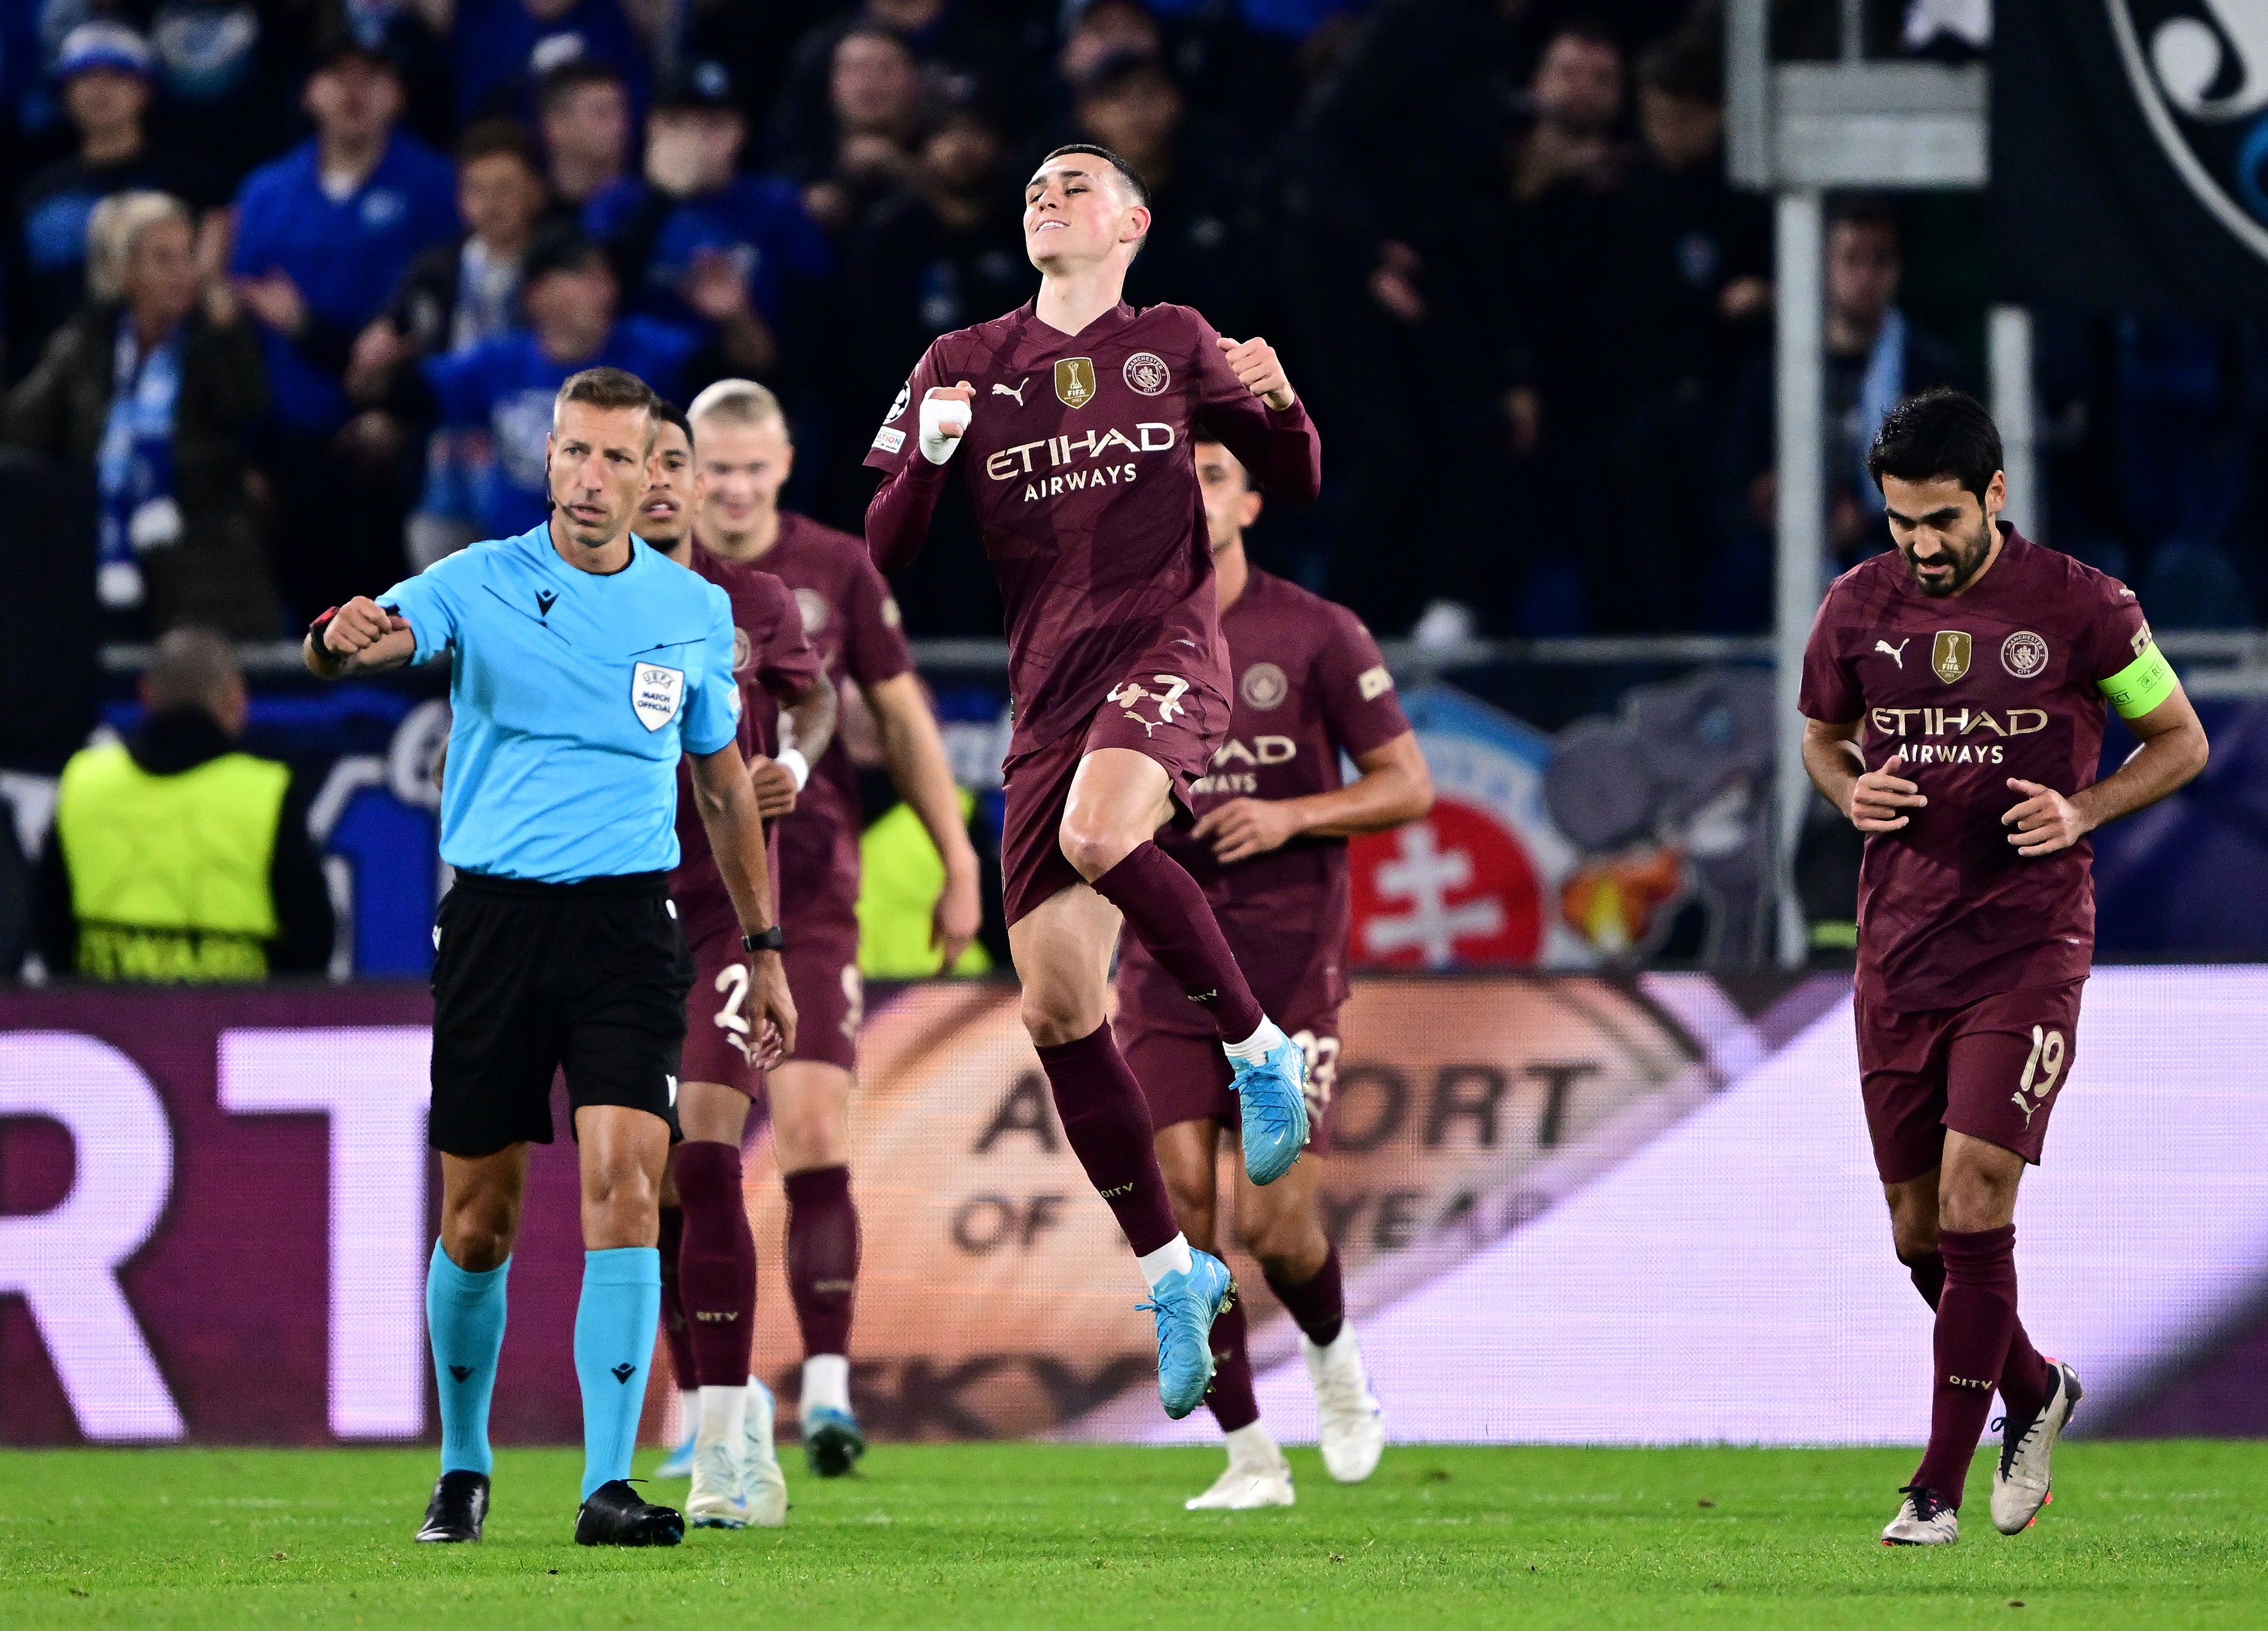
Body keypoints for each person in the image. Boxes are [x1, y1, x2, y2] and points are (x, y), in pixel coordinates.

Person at [863, 141, 1321, 1420]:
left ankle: (1258, 1047)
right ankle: (1173, 1271)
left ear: (1131, 219)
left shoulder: (1173, 336)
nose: (1044, 198)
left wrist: (1281, 407)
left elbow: (1292, 483)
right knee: (1059, 1011)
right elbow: (883, 550)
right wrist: (927, 460)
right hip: (1046, 695)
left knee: (1102, 828)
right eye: (1032, 190)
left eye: (1073, 184)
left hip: (1166, 651)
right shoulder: (958, 362)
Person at [303, 366, 795, 1548]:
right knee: (479, 1219)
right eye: (574, 452)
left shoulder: (690, 611)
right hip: (494, 924)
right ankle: (464, 1464)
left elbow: (722, 787)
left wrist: (765, 944)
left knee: (629, 1183)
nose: (591, 477)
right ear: (549, 461)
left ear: (652, 478)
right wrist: (340, 639)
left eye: (618, 459)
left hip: (628, 925)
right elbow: (363, 642)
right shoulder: (477, 580)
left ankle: (606, 1482)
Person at [1798, 388, 2209, 1545]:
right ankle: (2033, 1389)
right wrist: (1846, 789)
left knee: (1980, 1191)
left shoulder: (2085, 610)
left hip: (2026, 944)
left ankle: (1931, 1487)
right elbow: (1822, 737)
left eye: (1940, 518)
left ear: (1994, 495)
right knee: (1919, 1235)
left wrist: (2083, 808)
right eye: (1898, 522)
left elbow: (2178, 739)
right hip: (1899, 950)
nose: (1919, 545)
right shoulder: (1854, 607)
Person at [1115, 437, 1428, 1508]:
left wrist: (1290, 812)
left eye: (1211, 474)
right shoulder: (1118, 632)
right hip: (1160, 966)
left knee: (1274, 1224)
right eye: (1174, 475)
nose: (1192, 494)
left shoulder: (1314, 632)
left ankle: (1335, 1357)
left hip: (1289, 968)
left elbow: (1405, 784)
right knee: (1183, 1226)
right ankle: (1250, 1455)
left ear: (1250, 498)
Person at [687, 376, 979, 1473]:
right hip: (678, 898)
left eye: (753, 469)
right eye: (715, 468)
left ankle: (825, 1389)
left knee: (811, 1129)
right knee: (687, 1160)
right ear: (687, 465)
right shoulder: (655, 570)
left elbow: (900, 715)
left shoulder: (834, 568)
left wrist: (960, 859)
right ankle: (701, 1402)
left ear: (784, 463)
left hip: (805, 891)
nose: (733, 488)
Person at [632, 399, 837, 1528]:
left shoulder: (751, 603)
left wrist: (792, 765)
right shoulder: (565, 602)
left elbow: (812, 701)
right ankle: (734, 1401)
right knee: (645, 1191)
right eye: (645, 464)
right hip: (611, 921)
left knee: (705, 1161)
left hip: (721, 916)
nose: (663, 482)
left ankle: (717, 1451)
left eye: (679, 464)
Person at [228, 37, 457, 618]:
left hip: (390, 440)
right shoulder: (266, 192)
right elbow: (244, 327)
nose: (353, 90)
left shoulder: (436, 187)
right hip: (291, 439)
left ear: (399, 94)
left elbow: (441, 314)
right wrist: (250, 449)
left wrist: (401, 414)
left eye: (372, 74)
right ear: (309, 93)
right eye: (336, 74)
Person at [3, 190, 279, 636]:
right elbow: (19, 432)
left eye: (188, 257)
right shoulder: (87, 347)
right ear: (122, 268)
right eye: (163, 259)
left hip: (209, 563)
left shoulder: (213, 339)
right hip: (105, 558)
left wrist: (227, 328)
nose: (182, 274)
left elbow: (251, 411)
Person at [35, 626, 331, 981]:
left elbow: (47, 923)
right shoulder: (265, 791)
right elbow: (313, 940)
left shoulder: (85, 780)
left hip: (107, 1023)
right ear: (236, 699)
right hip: (235, 1022)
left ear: (145, 695)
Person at [350, 118, 558, 569]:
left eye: (505, 188)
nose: (491, 204)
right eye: (477, 189)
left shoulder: (561, 270)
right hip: (445, 470)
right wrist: (376, 369)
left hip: (532, 470)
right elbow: (383, 368)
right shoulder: (434, 272)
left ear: (536, 193)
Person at [417, 224, 699, 543]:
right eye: (587, 277)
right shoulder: (498, 363)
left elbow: (729, 378)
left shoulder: (651, 352)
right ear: (538, 293)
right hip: (518, 559)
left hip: (623, 556)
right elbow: (411, 392)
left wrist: (734, 324)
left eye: (607, 278)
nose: (606, 291)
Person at [585, 60, 829, 381]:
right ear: (653, 128)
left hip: (748, 384)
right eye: (678, 123)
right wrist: (663, 198)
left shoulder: (778, 207)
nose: (694, 140)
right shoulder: (617, 203)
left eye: (713, 125)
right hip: (634, 384)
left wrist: (737, 318)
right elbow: (596, 301)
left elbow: (814, 335)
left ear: (739, 134)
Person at [14, 21, 226, 370]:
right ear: (64, 93)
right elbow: (20, 302)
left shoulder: (191, 185)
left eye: (118, 75)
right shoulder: (36, 194)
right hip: (58, 387)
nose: (100, 88)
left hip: (172, 382)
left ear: (145, 90)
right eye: (85, 76)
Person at [538, 58, 633, 210]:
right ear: (556, 126)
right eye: (601, 113)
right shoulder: (528, 217)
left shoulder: (648, 211)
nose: (619, 125)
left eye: (621, 111)